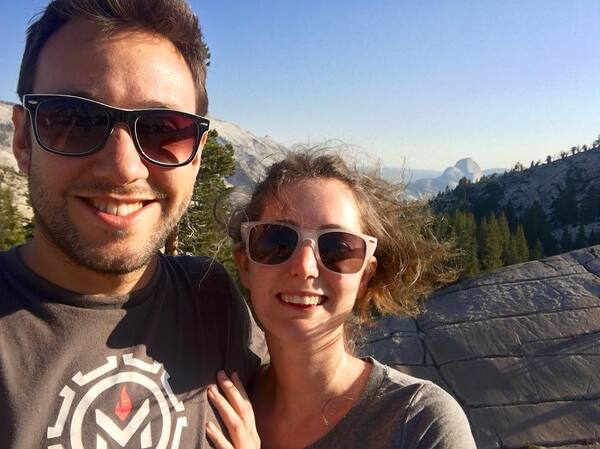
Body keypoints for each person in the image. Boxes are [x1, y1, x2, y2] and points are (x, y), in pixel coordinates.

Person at [0, 1, 265, 447]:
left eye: (164, 130)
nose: (124, 168)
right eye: (74, 121)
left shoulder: (213, 301)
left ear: (196, 157)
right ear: (24, 140)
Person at [205, 150, 477, 448]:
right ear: (245, 265)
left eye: (337, 248)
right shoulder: (215, 406)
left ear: (364, 276)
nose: (305, 268)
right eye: (277, 242)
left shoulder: (418, 423)